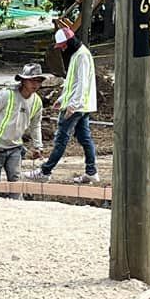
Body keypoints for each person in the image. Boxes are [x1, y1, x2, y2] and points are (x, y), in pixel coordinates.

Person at [35, 20, 98, 183]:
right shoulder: (78, 54)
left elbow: (83, 83)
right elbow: (73, 83)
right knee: (85, 138)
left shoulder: (82, 56)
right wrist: (62, 99)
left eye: (63, 45)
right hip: (80, 105)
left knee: (61, 138)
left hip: (77, 106)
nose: (62, 48)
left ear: (70, 42)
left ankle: (45, 171)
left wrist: (72, 105)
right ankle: (91, 171)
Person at [0, 65, 46, 183]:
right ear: (23, 81)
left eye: (38, 81)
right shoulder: (7, 94)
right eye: (32, 80)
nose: (35, 84)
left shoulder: (37, 102)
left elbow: (35, 125)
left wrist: (38, 146)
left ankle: (16, 201)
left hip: (15, 148)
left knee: (15, 182)